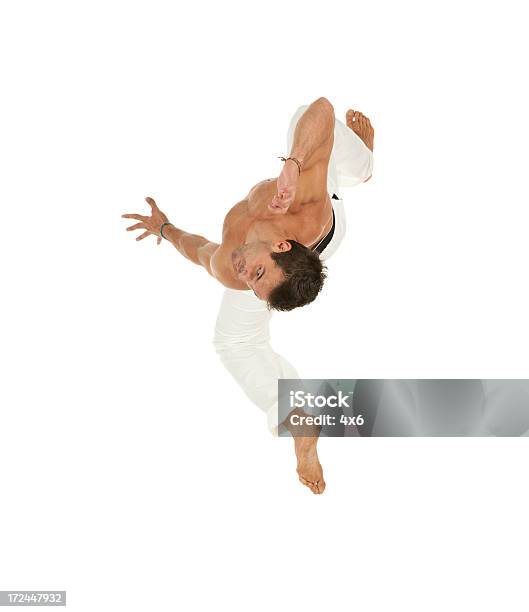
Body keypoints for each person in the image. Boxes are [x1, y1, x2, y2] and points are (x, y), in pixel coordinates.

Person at [122, 98, 374, 494]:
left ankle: (297, 418)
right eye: (256, 274)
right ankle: (363, 163)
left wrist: (164, 228)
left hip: (311, 248)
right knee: (313, 132)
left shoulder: (235, 271)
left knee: (234, 341)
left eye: (255, 285)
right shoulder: (305, 202)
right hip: (321, 219)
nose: (245, 279)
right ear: (279, 246)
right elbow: (323, 109)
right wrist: (293, 164)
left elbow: (201, 250)